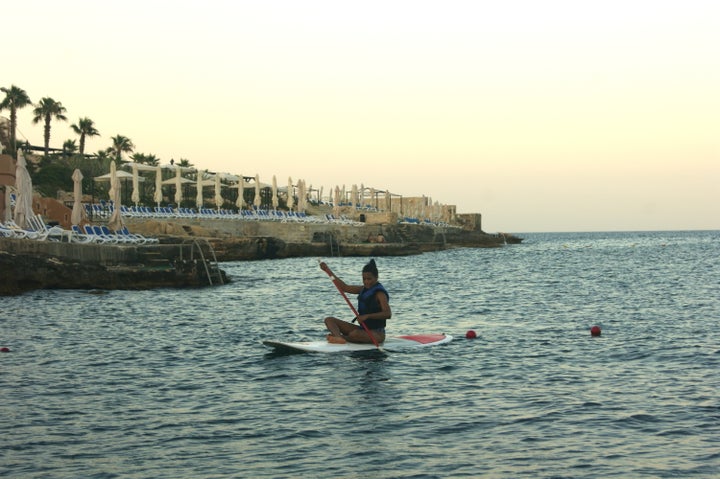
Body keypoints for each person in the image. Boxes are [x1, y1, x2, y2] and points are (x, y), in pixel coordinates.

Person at [320, 259, 391, 344]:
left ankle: (343, 337)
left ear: (376, 278)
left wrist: (367, 316)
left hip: (377, 334)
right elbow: (344, 287)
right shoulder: (362, 289)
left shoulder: (380, 293)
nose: (366, 282)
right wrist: (327, 270)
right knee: (329, 320)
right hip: (363, 329)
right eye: (364, 279)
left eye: (369, 279)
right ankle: (339, 338)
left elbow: (388, 314)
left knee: (355, 334)